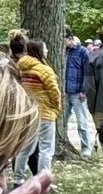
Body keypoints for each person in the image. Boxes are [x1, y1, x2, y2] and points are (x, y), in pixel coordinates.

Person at [7, 36, 60, 180]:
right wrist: (56, 107)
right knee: (46, 149)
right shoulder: (44, 70)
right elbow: (54, 92)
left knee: (25, 148)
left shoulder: (21, 69)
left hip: (29, 113)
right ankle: (44, 180)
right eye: (45, 48)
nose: (47, 50)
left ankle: (18, 178)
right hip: (45, 112)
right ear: (38, 51)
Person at [59, 31, 93, 156]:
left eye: (64, 40)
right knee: (63, 121)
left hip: (78, 92)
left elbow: (88, 72)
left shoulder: (83, 52)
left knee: (82, 122)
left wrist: (84, 90)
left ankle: (86, 148)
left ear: (70, 38)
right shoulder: (63, 51)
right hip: (65, 91)